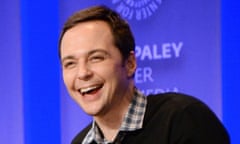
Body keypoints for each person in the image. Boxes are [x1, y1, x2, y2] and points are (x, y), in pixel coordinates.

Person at [59, 5, 230, 144]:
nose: (82, 73)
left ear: (130, 64)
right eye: (70, 63)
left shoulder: (183, 119)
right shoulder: (80, 142)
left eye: (96, 58)